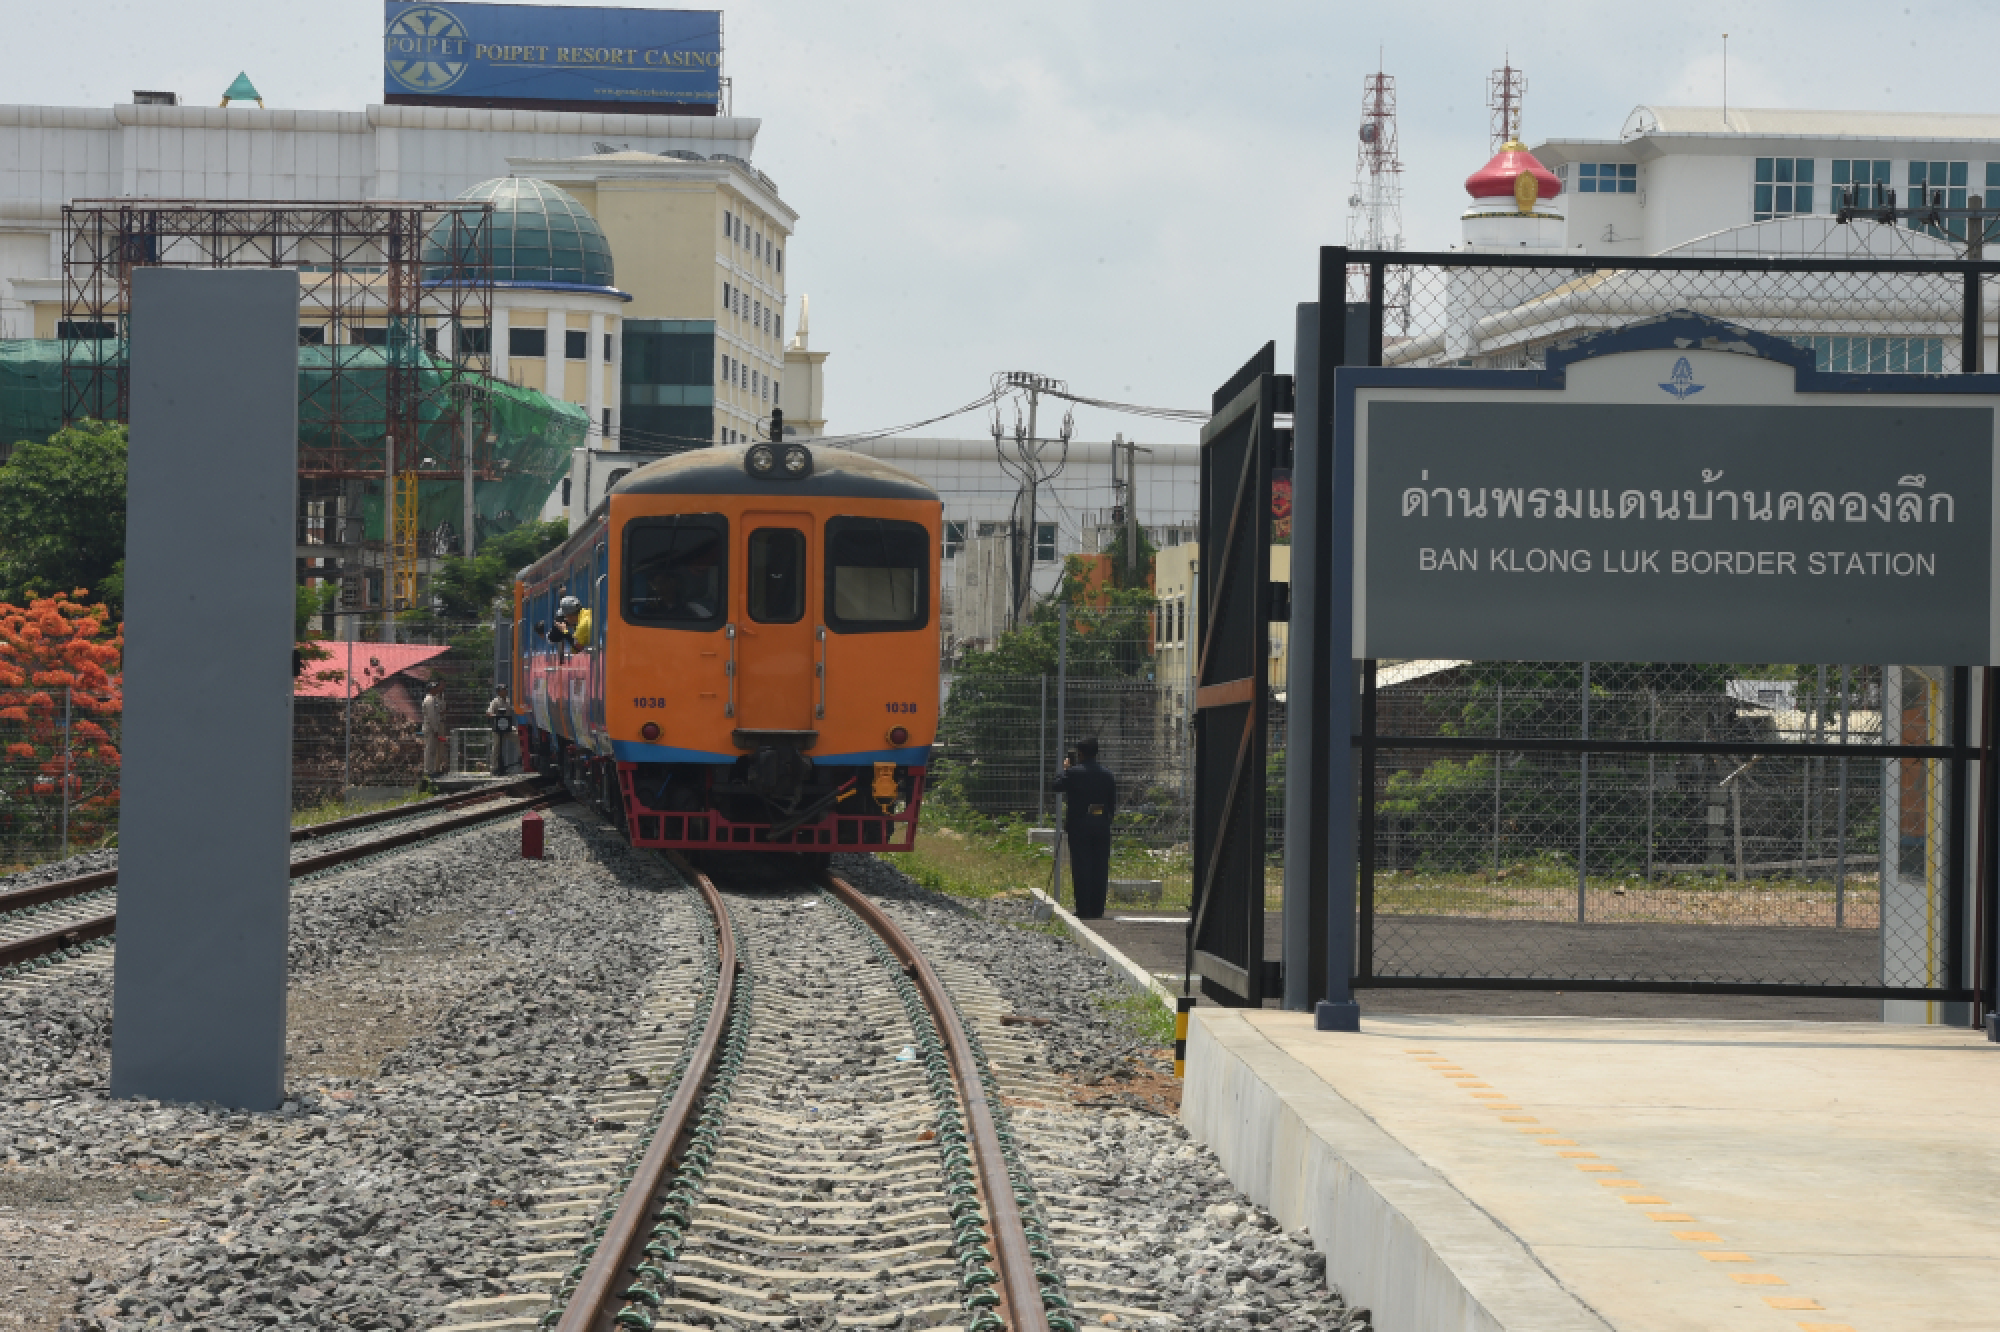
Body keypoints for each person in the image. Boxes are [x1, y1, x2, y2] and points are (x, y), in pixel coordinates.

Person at [1053, 737, 1117, 920]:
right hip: (1101, 824)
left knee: (1082, 866)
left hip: (1079, 825)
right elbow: (1112, 803)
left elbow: (1056, 786)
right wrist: (1101, 816)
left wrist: (1065, 770)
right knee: (1100, 866)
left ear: (1079, 754)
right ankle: (1098, 909)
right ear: (1097, 753)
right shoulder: (1107, 774)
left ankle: (1084, 909)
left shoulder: (1073, 773)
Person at [421, 678, 449, 779]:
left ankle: (431, 770)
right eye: (435, 688)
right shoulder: (429, 700)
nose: (437, 689)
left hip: (433, 728)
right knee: (430, 750)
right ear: (431, 689)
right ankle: (428, 771)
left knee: (433, 750)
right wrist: (436, 730)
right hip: (431, 729)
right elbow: (432, 716)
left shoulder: (433, 699)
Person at [487, 682, 517, 776]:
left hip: (507, 727)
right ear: (499, 692)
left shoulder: (507, 700)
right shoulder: (495, 701)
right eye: (504, 690)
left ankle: (521, 760)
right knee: (496, 748)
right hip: (498, 728)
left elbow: (511, 709)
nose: (506, 691)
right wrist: (496, 716)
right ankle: (494, 768)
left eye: (506, 689)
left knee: (519, 737)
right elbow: (488, 712)